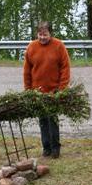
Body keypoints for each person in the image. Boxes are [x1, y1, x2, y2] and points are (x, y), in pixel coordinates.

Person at [23, 21, 71, 158]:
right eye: (40, 34)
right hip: (37, 92)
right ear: (36, 34)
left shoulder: (59, 46)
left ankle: (55, 148)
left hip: (54, 91)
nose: (42, 37)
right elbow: (27, 71)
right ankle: (46, 147)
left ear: (50, 33)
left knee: (52, 120)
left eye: (45, 34)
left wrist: (62, 89)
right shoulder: (31, 47)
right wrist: (28, 90)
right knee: (43, 120)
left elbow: (65, 69)